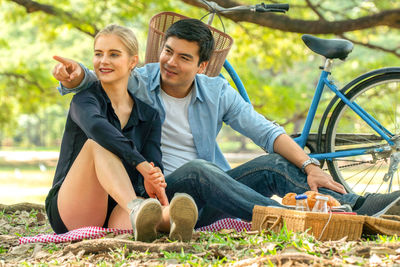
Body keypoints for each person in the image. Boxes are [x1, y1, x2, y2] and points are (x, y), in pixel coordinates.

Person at [52, 19, 400, 228]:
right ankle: (287, 218)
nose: (170, 63)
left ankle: (355, 208)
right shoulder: (141, 80)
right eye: (168, 51)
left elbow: (265, 131)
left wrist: (310, 165)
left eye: (184, 58)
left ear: (202, 66)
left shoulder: (217, 91)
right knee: (200, 169)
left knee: (275, 164)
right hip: (170, 194)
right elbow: (98, 79)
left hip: (215, 190)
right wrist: (75, 75)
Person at [45, 24, 198, 243]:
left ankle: (170, 218)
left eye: (114, 54)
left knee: (153, 211)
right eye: (98, 54)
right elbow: (98, 129)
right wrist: (140, 164)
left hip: (119, 206)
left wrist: (153, 179)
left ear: (132, 62)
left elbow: (153, 162)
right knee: (95, 145)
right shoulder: (85, 100)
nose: (103, 61)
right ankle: (138, 209)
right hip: (75, 208)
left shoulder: (149, 115)